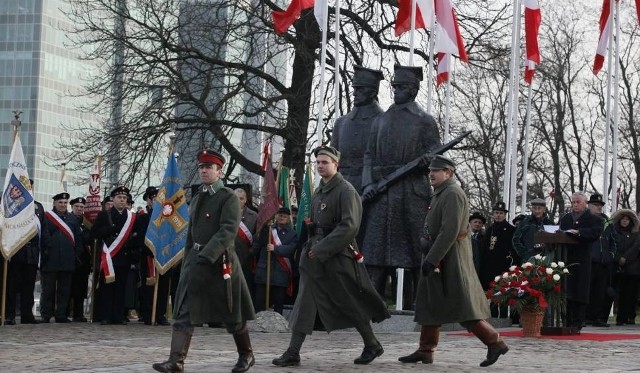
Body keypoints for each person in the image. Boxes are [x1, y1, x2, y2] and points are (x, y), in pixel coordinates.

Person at [272, 145, 389, 368]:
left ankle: (372, 343)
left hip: (337, 256)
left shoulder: (346, 191)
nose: (320, 166)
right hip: (314, 256)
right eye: (318, 163)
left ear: (336, 164)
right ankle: (293, 351)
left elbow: (350, 226)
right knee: (304, 302)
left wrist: (323, 247)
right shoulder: (320, 191)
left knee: (349, 301)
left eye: (325, 162)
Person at [153, 149, 255, 373]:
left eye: (209, 167)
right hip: (196, 261)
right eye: (201, 167)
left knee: (232, 315)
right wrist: (189, 259)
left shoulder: (228, 197)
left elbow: (228, 231)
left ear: (219, 171)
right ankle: (176, 361)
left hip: (221, 264)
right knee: (184, 312)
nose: (204, 171)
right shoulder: (198, 197)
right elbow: (191, 233)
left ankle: (246, 355)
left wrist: (207, 255)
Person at [399, 155, 508, 367]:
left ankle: (495, 342)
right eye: (430, 170)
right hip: (437, 255)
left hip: (448, 258)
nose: (431, 174)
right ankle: (425, 350)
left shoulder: (452, 193)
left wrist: (432, 259)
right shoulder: (441, 192)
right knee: (431, 304)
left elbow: (450, 231)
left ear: (448, 173)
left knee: (461, 305)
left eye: (436, 170)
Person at [361, 64, 441, 307]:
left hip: (411, 191)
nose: (395, 91)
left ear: (414, 90)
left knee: (415, 250)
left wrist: (428, 161)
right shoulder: (380, 120)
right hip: (382, 193)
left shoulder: (424, 121)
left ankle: (420, 304)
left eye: (401, 87)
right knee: (375, 251)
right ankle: (370, 306)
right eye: (394, 86)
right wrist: (367, 185)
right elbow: (369, 156)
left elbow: (436, 156)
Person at [92, 186, 141, 325]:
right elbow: (95, 233)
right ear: (113, 199)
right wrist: (110, 229)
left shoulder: (131, 217)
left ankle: (118, 316)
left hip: (124, 256)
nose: (122, 200)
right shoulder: (104, 215)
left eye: (125, 198)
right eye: (119, 198)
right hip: (109, 256)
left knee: (121, 288)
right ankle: (106, 316)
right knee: (107, 287)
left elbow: (136, 235)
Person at [331, 65, 384, 194]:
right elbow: (333, 162)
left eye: (360, 89)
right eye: (354, 88)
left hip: (372, 191)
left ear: (372, 92)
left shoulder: (385, 122)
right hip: (341, 190)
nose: (355, 93)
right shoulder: (341, 123)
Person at [4, 179, 48, 325]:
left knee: (29, 286)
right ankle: (9, 315)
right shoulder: (11, 205)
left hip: (33, 251)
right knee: (12, 286)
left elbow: (44, 230)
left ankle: (26, 315)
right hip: (17, 250)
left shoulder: (38, 207)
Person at [558, 192, 603, 330]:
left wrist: (579, 233)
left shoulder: (593, 219)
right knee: (567, 289)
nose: (575, 205)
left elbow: (595, 232)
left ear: (585, 203)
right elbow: (558, 231)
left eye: (578, 202)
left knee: (580, 290)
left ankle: (578, 321)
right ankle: (566, 321)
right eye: (573, 202)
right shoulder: (566, 218)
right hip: (565, 258)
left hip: (582, 259)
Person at [41, 192, 83, 323]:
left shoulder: (72, 219)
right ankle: (46, 314)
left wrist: (77, 255)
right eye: (60, 202)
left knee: (64, 290)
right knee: (48, 289)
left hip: (67, 259)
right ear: (54, 203)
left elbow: (78, 239)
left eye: (65, 203)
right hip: (50, 258)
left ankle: (61, 314)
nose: (63, 205)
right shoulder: (47, 217)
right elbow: (44, 236)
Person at [253, 207, 298, 314]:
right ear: (276, 216)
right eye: (280, 215)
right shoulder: (268, 229)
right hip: (264, 271)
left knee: (278, 302)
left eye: (285, 216)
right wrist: (265, 227)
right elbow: (258, 241)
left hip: (280, 272)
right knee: (260, 301)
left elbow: (291, 249)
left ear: (288, 218)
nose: (282, 218)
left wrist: (276, 248)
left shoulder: (292, 233)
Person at [138, 186, 172, 326]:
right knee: (148, 286)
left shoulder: (168, 219)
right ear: (148, 201)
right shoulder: (144, 218)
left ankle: (160, 314)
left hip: (163, 256)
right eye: (153, 199)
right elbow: (140, 237)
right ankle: (147, 313)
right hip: (149, 257)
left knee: (163, 286)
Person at [479, 201, 518, 319]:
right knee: (491, 293)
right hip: (489, 267)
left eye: (501, 213)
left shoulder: (511, 229)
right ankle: (493, 316)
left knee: (503, 292)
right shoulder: (489, 229)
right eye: (496, 213)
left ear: (505, 215)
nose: (498, 215)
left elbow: (513, 248)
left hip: (503, 266)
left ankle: (504, 317)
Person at [586, 193, 616, 327]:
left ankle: (598, 317)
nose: (598, 208)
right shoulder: (585, 219)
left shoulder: (607, 221)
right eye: (595, 205)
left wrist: (611, 255)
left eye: (600, 205)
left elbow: (614, 241)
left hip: (604, 262)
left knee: (600, 292)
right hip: (589, 260)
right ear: (589, 206)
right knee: (587, 290)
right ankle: (586, 317)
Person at [613, 210, 640, 326]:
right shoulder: (615, 232)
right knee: (620, 294)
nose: (625, 221)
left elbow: (636, 247)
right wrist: (619, 258)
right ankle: (620, 318)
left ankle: (630, 316)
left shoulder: (635, 234)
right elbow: (613, 246)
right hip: (618, 266)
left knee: (631, 294)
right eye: (623, 219)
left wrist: (625, 258)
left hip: (632, 268)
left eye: (627, 219)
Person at [68, 197, 92, 322]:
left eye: (82, 207)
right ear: (72, 207)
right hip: (71, 258)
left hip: (83, 260)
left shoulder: (86, 222)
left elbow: (89, 238)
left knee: (81, 288)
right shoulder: (68, 219)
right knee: (68, 288)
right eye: (77, 206)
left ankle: (78, 314)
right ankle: (65, 312)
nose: (79, 209)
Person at [512, 198, 555, 263]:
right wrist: (525, 254)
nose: (537, 211)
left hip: (546, 261)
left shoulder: (550, 224)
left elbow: (554, 243)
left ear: (544, 209)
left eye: (539, 208)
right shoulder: (525, 223)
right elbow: (515, 239)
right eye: (534, 208)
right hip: (527, 261)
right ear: (532, 209)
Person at [234, 187, 258, 303]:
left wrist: (251, 252)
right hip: (229, 256)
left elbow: (257, 238)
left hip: (247, 257)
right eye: (235, 198)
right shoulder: (225, 212)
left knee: (245, 287)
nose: (238, 201)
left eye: (241, 198)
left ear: (245, 200)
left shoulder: (254, 216)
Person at [469, 211, 486, 277]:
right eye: (475, 222)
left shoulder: (484, 238)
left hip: (479, 270)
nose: (477, 224)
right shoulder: (463, 237)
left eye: (480, 223)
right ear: (470, 223)